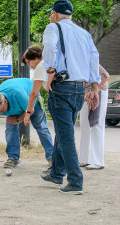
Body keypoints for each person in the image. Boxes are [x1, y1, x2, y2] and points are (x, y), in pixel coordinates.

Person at [41, 0, 101, 194]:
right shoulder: (84, 34)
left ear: (56, 14)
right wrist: (94, 87)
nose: (51, 17)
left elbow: (49, 48)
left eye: (51, 14)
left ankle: (75, 181)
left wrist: (50, 68)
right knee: (63, 129)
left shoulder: (53, 28)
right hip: (79, 89)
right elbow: (94, 58)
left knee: (66, 136)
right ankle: (57, 173)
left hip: (61, 87)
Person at [0, 78, 53, 169]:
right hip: (16, 105)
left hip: (31, 101)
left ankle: (52, 156)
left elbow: (30, 110)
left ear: (5, 102)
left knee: (41, 128)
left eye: (2, 111)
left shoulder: (17, 94)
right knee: (10, 126)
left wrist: (18, 119)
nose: (0, 113)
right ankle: (13, 157)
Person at [22, 45, 53, 167]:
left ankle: (55, 160)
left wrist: (28, 112)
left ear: (35, 58)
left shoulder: (41, 66)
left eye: (29, 62)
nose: (29, 65)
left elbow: (34, 93)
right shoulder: (51, 62)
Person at [79, 65, 109, 170]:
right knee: (84, 125)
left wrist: (92, 91)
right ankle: (84, 159)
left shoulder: (91, 60)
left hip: (99, 91)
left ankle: (98, 161)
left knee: (97, 124)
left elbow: (106, 77)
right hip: (85, 93)